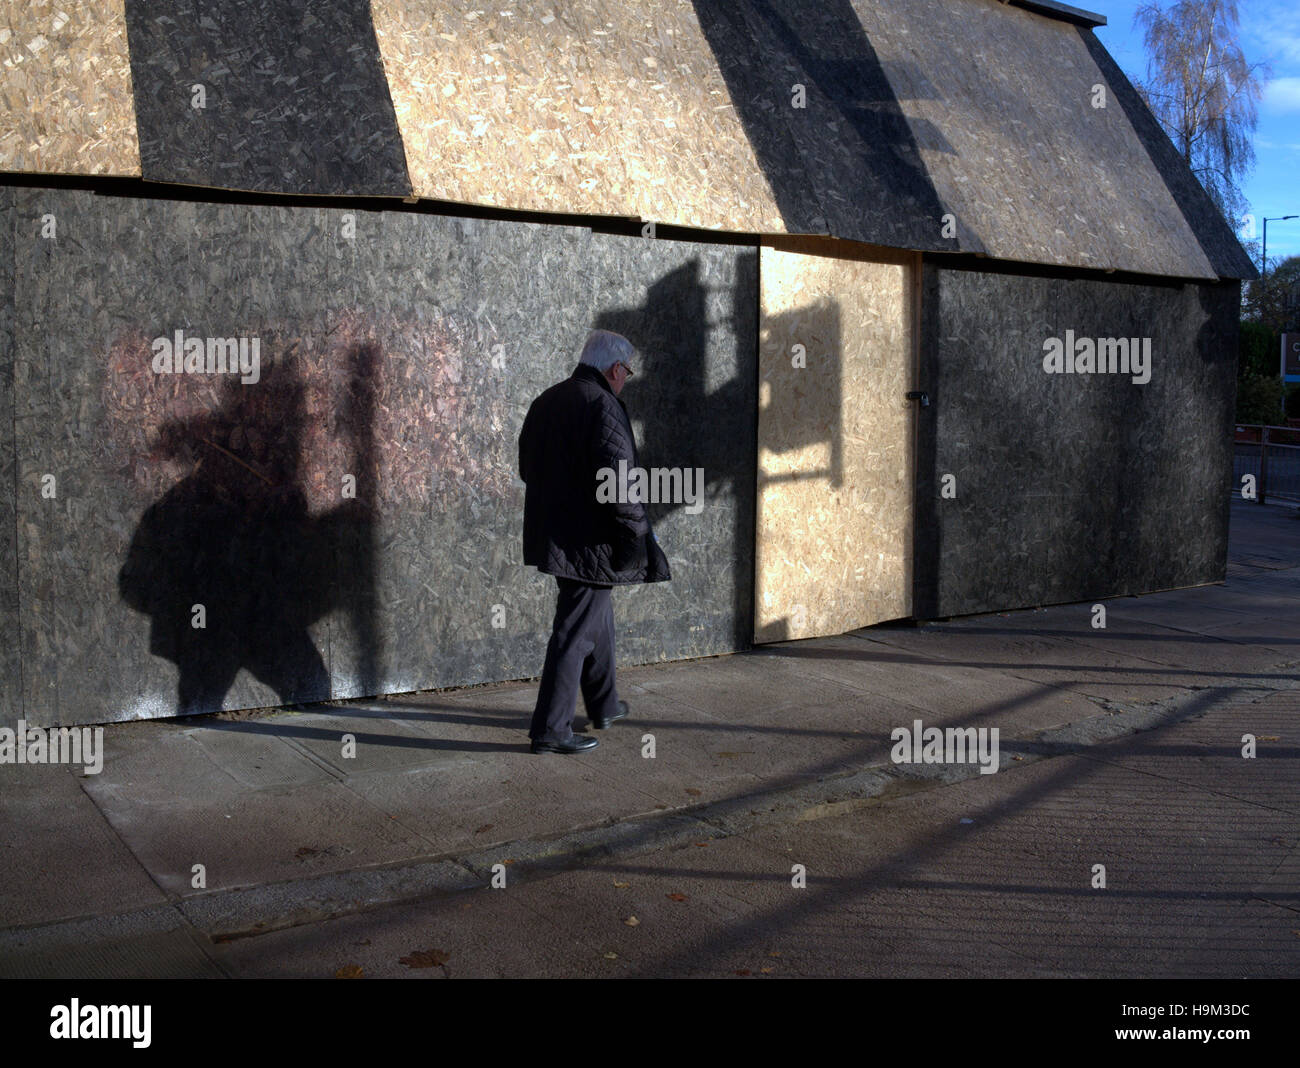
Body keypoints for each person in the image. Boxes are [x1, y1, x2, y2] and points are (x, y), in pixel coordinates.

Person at [518, 330, 671, 754]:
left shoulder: (548, 400)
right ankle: (551, 731)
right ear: (615, 369)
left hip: (558, 535)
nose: (626, 379)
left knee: (595, 620)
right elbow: (621, 485)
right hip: (590, 541)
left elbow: (527, 468)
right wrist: (636, 532)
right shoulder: (603, 405)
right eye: (627, 371)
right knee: (574, 633)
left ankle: (603, 705)